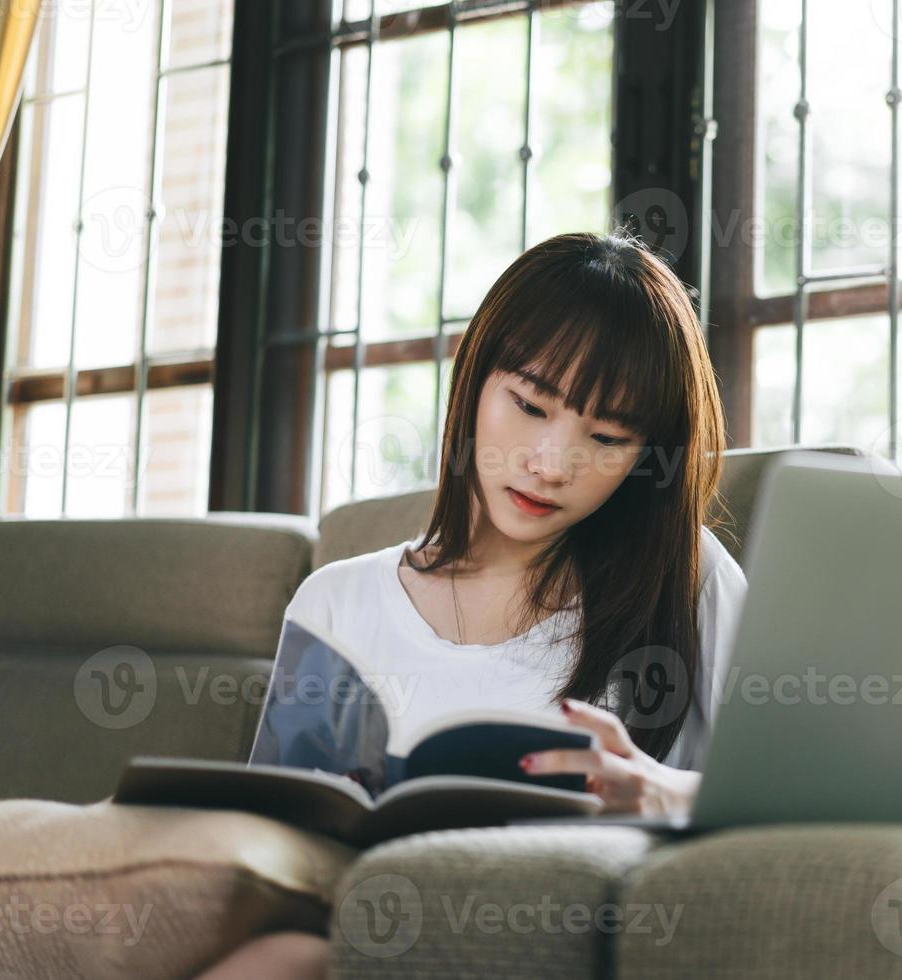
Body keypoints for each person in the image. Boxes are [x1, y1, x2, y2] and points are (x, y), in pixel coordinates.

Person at [198, 231, 747, 978]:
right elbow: (264, 854)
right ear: (475, 379)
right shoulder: (337, 601)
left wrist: (668, 792)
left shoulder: (686, 580)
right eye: (528, 404)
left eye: (608, 437)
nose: (551, 464)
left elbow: (816, 797)